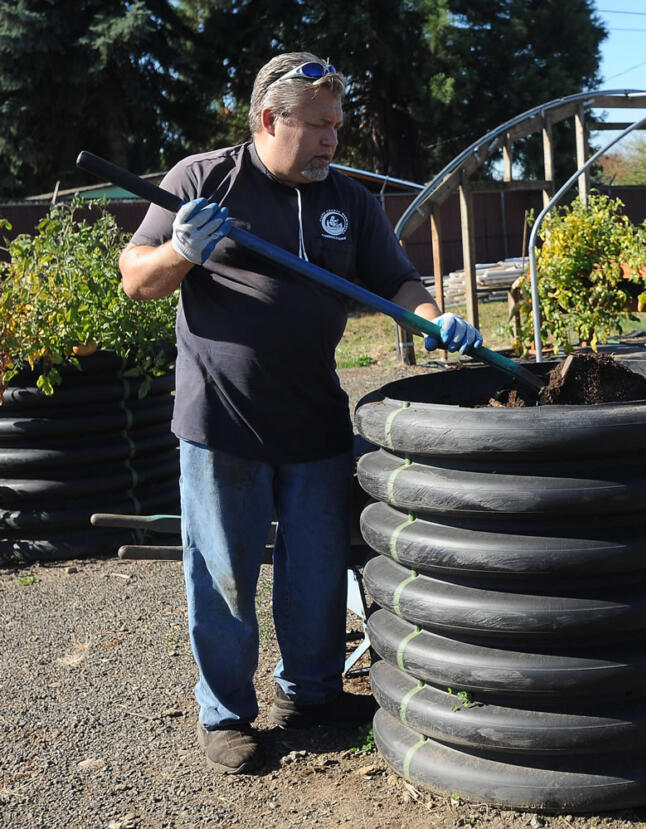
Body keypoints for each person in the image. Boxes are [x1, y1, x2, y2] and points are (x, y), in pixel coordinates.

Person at [118, 51, 481, 775]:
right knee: (223, 576)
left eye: (336, 126)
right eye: (316, 126)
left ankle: (310, 693)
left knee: (315, 572)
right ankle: (224, 714)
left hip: (315, 417)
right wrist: (183, 251)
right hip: (223, 420)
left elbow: (397, 281)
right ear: (268, 119)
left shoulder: (347, 199)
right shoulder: (201, 179)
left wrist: (437, 318)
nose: (330, 140)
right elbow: (136, 279)